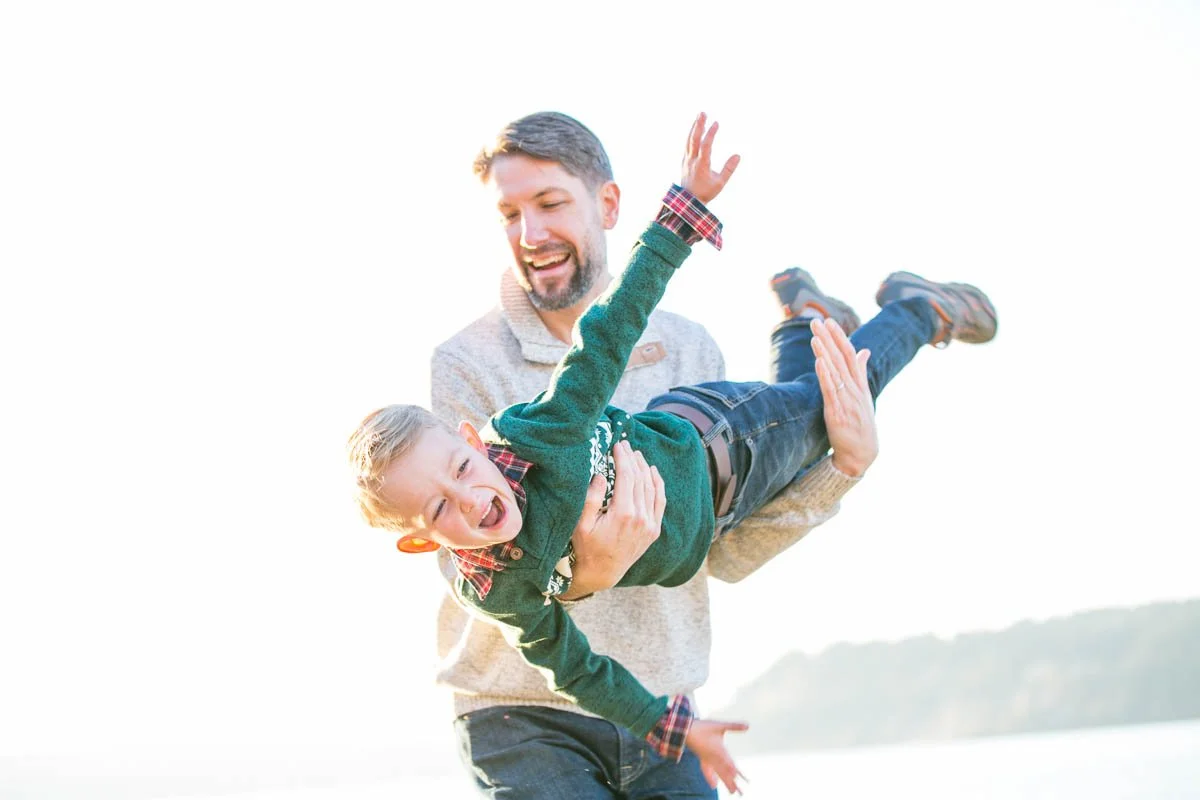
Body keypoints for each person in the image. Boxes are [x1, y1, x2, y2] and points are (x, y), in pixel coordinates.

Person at [349, 114, 997, 793]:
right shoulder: (462, 367)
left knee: (825, 412)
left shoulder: (612, 387)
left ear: (607, 206)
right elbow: (508, 599)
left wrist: (844, 467)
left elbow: (727, 549)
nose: (530, 233)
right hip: (522, 719)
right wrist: (591, 574)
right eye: (509, 214)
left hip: (671, 647)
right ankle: (817, 318)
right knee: (810, 412)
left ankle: (905, 313)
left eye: (548, 204)